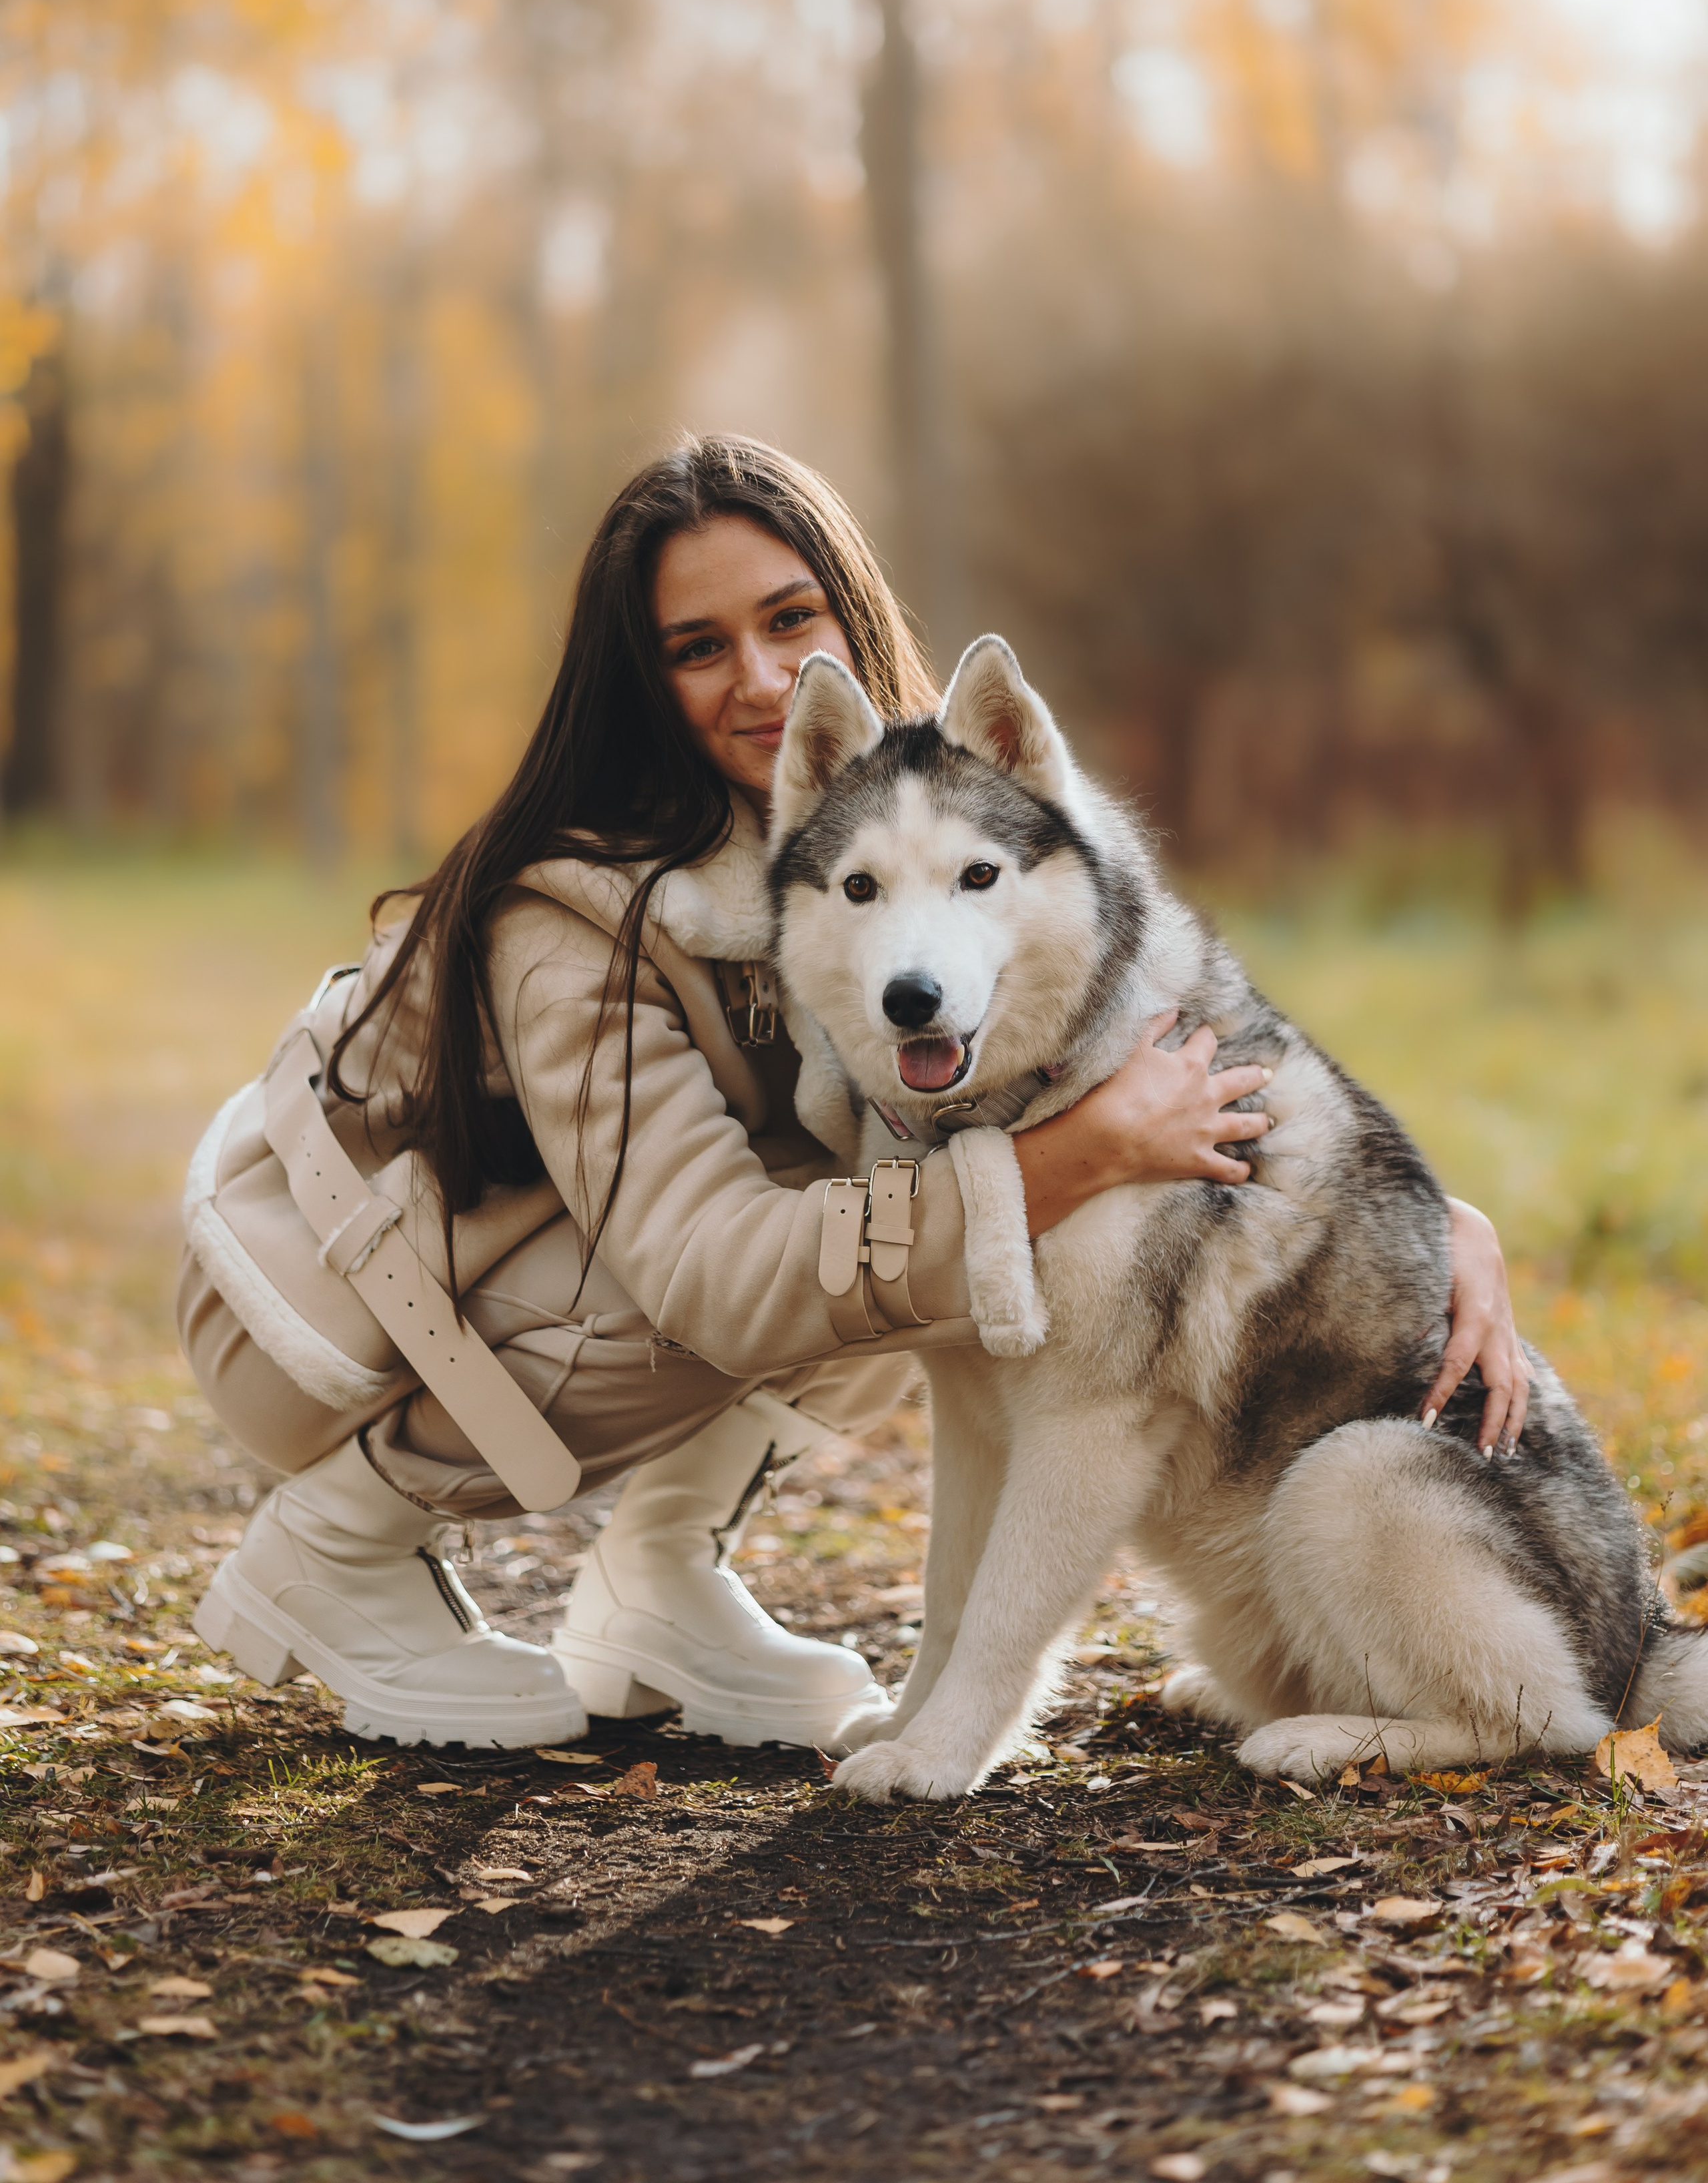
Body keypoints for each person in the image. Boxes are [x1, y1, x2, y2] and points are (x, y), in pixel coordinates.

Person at [177, 434, 1529, 1751]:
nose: (759, 679)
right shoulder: (573, 910)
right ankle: (338, 1547)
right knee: (874, 1240)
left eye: (788, 619)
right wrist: (1081, 1158)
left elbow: (1134, 1017)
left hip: (515, 1269)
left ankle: (661, 1577)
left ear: (849, 613)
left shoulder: (897, 810)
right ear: (636, 682)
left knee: (894, 1223)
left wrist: (1411, 1217)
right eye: (696, 649)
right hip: (331, 1312)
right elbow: (712, 1270)